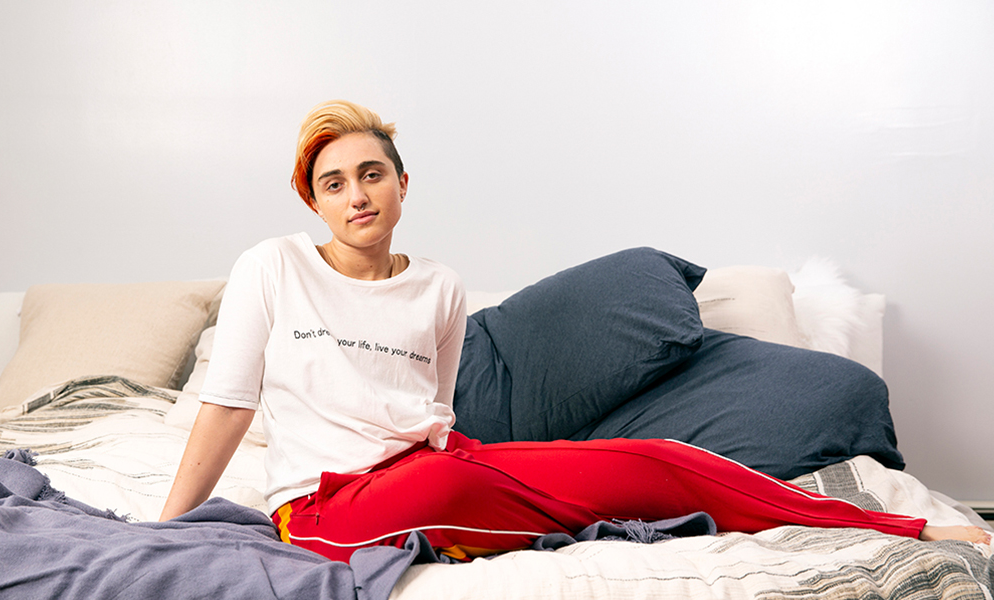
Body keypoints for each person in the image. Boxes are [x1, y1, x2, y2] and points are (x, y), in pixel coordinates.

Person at [160, 100, 989, 561]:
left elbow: (435, 414)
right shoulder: (271, 265)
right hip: (322, 505)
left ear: (402, 185)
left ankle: (903, 528)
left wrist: (459, 461)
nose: (355, 195)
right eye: (333, 183)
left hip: (439, 467)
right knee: (458, 489)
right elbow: (230, 402)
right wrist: (166, 528)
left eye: (370, 173)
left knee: (659, 462)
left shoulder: (439, 288)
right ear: (315, 202)